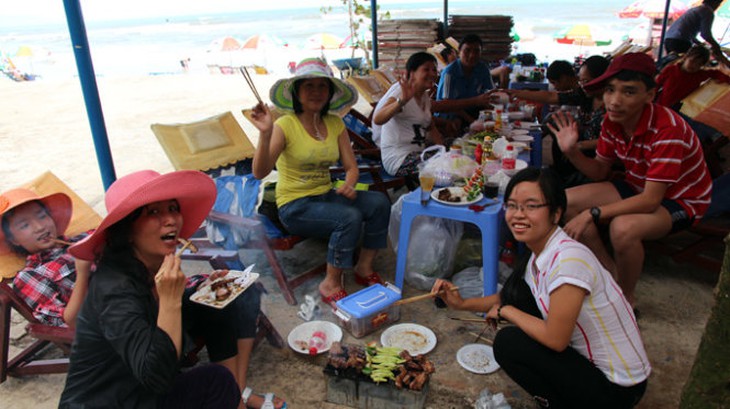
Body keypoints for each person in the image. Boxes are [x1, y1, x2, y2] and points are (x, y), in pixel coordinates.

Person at [58, 170, 285, 409]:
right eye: (153, 212)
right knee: (215, 380)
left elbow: (159, 304)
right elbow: (157, 377)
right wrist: (170, 300)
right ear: (126, 229)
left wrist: (204, 287)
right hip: (112, 400)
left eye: (173, 208)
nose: (171, 220)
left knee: (222, 297)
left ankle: (236, 395)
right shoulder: (114, 289)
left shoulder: (149, 264)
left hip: (142, 383)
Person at [432, 167, 651, 409]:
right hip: (599, 372)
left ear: (556, 213)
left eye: (531, 206)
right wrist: (462, 303)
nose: (518, 214)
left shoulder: (569, 261)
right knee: (522, 306)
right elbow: (509, 297)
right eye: (512, 205)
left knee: (509, 344)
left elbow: (555, 339)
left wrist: (505, 312)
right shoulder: (542, 253)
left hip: (617, 388)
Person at [548, 52, 713, 306]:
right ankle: (610, 276)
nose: (614, 101)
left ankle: (626, 299)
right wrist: (571, 151)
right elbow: (600, 171)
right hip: (638, 186)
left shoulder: (667, 130)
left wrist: (592, 213)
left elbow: (650, 201)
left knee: (623, 228)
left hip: (682, 200)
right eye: (610, 90)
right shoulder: (613, 121)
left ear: (650, 95)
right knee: (566, 201)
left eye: (629, 92)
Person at [250, 58, 391, 306]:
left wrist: (349, 182)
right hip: (295, 206)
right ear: (297, 92)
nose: (316, 92)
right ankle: (330, 283)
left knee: (379, 202)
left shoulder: (335, 123)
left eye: (322, 86)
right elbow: (260, 172)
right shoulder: (284, 125)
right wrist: (265, 133)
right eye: (308, 86)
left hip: (326, 195)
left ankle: (364, 267)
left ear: (330, 92)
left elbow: (351, 168)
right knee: (348, 218)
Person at [506, 56, 611, 187]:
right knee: (555, 122)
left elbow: (612, 141)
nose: (582, 85)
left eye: (586, 81)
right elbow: (551, 96)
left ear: (602, 79)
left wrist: (580, 145)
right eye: (581, 81)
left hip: (595, 155)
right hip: (580, 144)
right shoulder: (586, 95)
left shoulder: (613, 107)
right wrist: (514, 93)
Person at [0, 188, 91, 328]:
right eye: (25, 225)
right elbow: (71, 323)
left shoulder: (85, 237)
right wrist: (83, 273)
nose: (39, 227)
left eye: (42, 216)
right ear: (13, 240)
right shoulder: (30, 276)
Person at [372, 52, 444, 177]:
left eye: (434, 70)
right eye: (426, 69)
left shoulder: (424, 96)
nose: (432, 74)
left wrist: (444, 151)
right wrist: (402, 101)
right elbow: (378, 119)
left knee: (456, 150)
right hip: (399, 158)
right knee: (443, 168)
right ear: (412, 73)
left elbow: (431, 127)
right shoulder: (400, 92)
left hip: (418, 153)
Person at [433, 34, 496, 127]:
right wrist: (472, 121)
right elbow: (446, 104)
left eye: (476, 51)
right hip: (450, 115)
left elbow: (490, 94)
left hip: (471, 111)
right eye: (467, 51)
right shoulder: (449, 73)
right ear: (459, 52)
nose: (472, 55)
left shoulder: (482, 68)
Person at [655, 45, 730, 110]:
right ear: (685, 57)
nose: (694, 66)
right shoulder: (671, 70)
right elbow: (656, 85)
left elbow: (716, 73)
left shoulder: (699, 74)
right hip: (661, 105)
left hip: (681, 109)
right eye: (692, 61)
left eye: (699, 64)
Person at [664, 0, 730, 67]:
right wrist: (716, 46)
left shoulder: (696, 9)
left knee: (675, 65)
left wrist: (700, 44)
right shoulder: (707, 11)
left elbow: (688, 31)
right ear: (715, 3)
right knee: (684, 67)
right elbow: (705, 34)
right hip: (680, 42)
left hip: (669, 39)